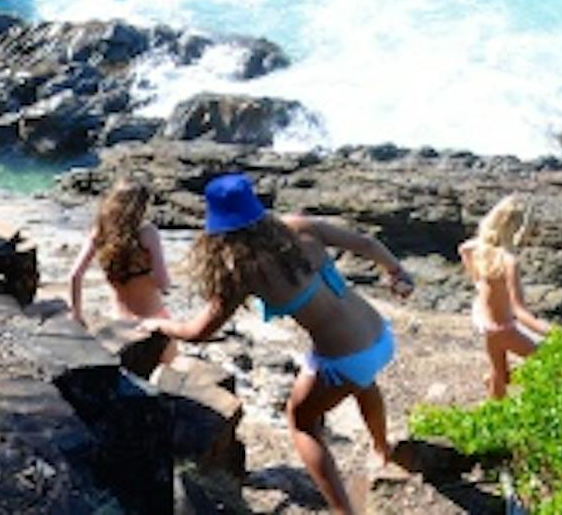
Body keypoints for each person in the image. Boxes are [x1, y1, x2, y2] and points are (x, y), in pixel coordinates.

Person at [148, 173, 415, 514]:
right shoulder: (298, 227)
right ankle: (381, 448)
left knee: (301, 421)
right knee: (362, 382)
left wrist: (160, 324)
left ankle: (344, 512)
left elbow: (199, 330)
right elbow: (365, 243)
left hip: (347, 358)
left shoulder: (241, 271)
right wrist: (396, 272)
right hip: (379, 333)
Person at [459, 195, 551, 397]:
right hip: (504, 328)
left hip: (486, 324)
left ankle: (493, 410)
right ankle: (496, 385)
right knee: (550, 362)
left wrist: (476, 279)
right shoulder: (509, 262)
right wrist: (549, 331)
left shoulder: (480, 249)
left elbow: (463, 249)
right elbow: (520, 311)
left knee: (500, 376)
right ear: (515, 230)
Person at [67, 181, 173, 354]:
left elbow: (74, 275)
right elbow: (163, 282)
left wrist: (77, 315)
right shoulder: (147, 232)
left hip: (118, 323)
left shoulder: (100, 232)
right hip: (153, 320)